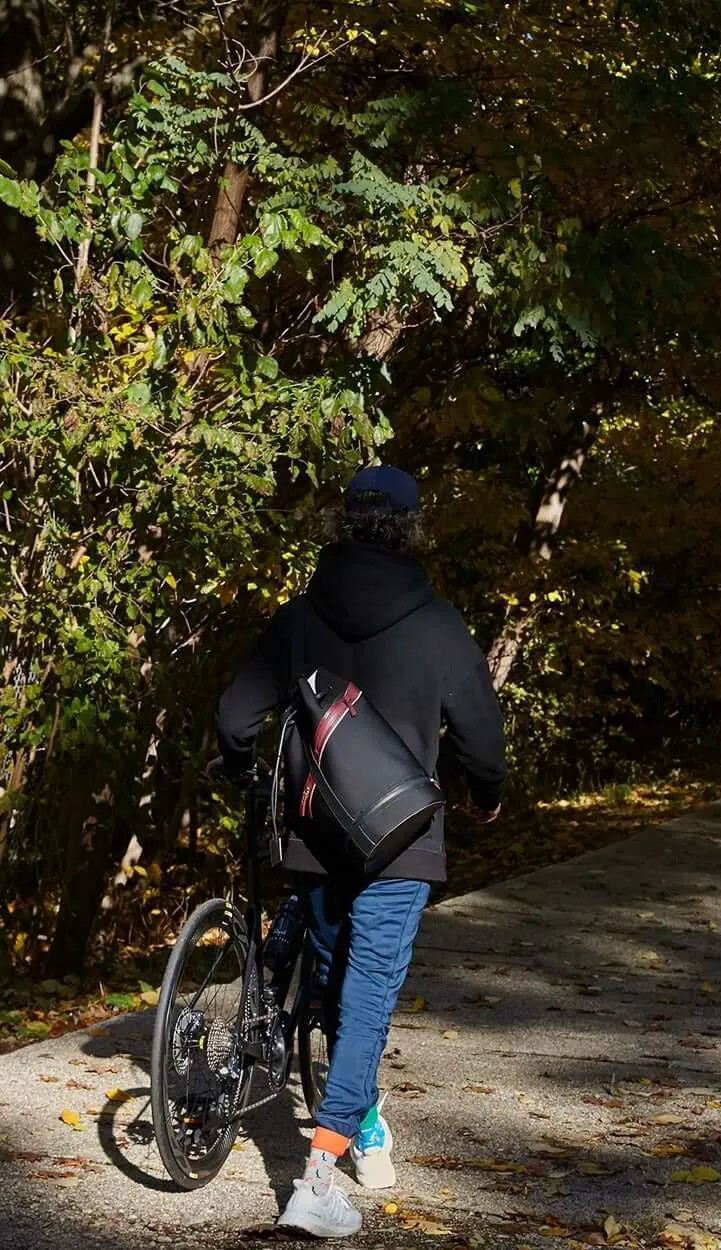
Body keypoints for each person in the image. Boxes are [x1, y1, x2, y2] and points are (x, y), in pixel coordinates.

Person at [215, 465, 507, 1238]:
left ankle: (361, 1124)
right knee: (366, 999)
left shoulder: (300, 617)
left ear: (341, 523)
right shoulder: (440, 624)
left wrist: (246, 771)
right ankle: (317, 1179)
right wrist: (488, 791)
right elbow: (481, 733)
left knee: (341, 992)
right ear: (414, 527)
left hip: (315, 840)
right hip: (402, 843)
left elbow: (236, 714)